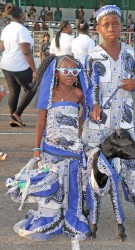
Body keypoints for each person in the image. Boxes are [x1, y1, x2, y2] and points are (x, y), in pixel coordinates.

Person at [82, 5, 135, 238]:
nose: (111, 28)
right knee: (93, 166)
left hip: (125, 122)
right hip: (98, 124)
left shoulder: (130, 52)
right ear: (99, 29)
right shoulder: (92, 56)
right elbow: (89, 86)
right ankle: (87, 213)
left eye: (115, 23)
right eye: (106, 25)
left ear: (122, 26)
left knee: (133, 167)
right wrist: (93, 105)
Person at [5, 54, 91, 241]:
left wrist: (79, 128)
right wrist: (37, 148)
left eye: (74, 70)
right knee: (52, 185)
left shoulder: (78, 94)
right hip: (51, 150)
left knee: (72, 186)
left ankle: (70, 217)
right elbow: (41, 121)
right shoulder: (49, 93)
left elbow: (86, 113)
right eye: (66, 70)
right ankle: (51, 218)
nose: (70, 74)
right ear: (56, 72)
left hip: (73, 150)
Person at [0, 5, 37, 127]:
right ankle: (17, 114)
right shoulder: (22, 30)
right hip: (18, 66)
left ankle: (13, 118)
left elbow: (1, 47)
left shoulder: (7, 28)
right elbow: (26, 52)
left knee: (14, 91)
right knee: (31, 88)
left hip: (6, 65)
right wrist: (34, 70)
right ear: (21, 15)